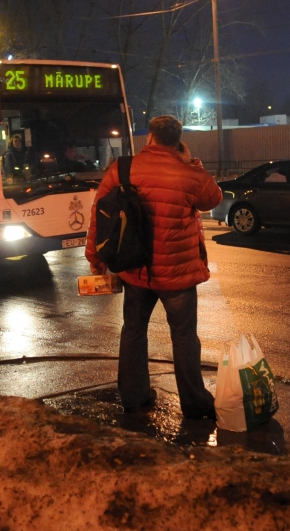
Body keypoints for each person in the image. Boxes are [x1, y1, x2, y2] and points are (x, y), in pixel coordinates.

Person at [86, 115, 223, 419]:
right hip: (178, 276)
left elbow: (100, 213)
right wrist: (192, 163)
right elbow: (213, 198)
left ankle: (134, 397)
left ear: (150, 138)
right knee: (185, 336)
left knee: (133, 331)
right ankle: (195, 403)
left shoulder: (123, 168)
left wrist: (95, 257)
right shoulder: (189, 174)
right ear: (178, 141)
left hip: (136, 271)